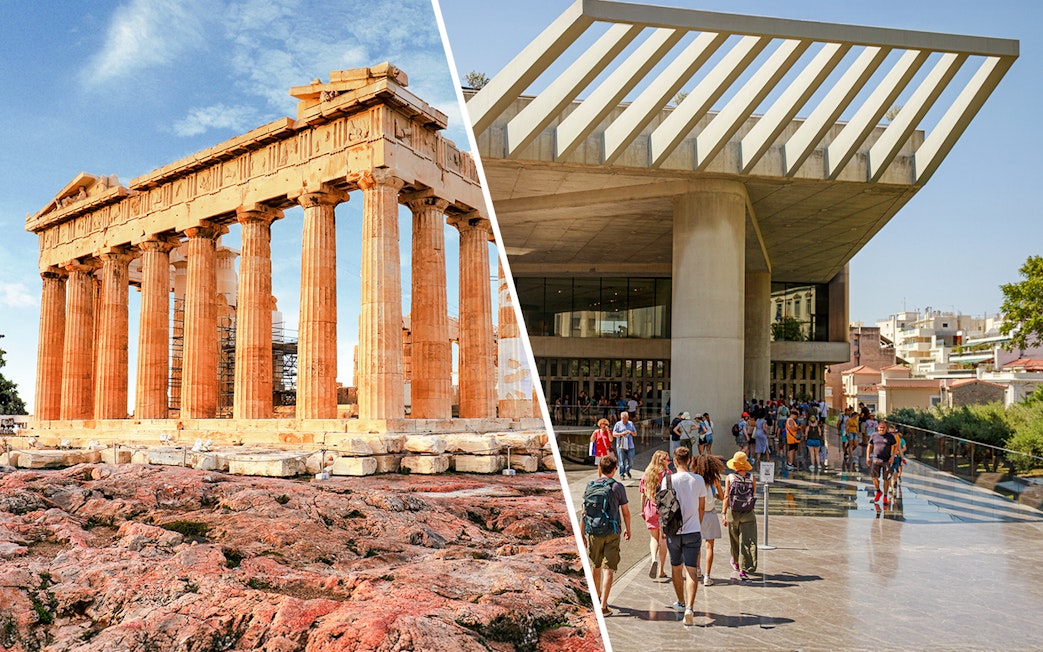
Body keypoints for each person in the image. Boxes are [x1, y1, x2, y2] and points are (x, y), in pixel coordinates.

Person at [580, 455, 631, 616]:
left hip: (593, 531)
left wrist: (582, 534)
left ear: (600, 468)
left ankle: (596, 599)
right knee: (608, 568)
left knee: (595, 566)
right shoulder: (618, 487)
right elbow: (626, 512)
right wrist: (628, 529)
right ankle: (603, 605)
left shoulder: (590, 486)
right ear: (614, 469)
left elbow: (584, 512)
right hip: (612, 531)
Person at [661, 446, 706, 626]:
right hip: (693, 530)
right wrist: (697, 523)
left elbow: (663, 507)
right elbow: (701, 507)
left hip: (673, 532)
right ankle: (689, 607)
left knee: (676, 568)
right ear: (689, 460)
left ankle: (680, 602)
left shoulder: (668, 480)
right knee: (692, 569)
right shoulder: (698, 480)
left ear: (674, 460)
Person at [722, 451, 758, 581]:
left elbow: (726, 496)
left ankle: (736, 562)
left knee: (734, 540)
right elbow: (753, 494)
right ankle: (744, 569)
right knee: (747, 540)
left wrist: (723, 513)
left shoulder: (730, 477)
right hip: (748, 513)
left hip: (733, 512)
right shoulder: (752, 477)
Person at [694, 453, 725, 586]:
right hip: (710, 513)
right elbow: (722, 497)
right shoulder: (714, 480)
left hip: (697, 514)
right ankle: (707, 575)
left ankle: (697, 569)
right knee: (709, 546)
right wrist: (716, 492)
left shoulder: (696, 480)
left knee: (697, 544)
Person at [639, 450, 671, 581]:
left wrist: (642, 510)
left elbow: (642, 494)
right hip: (664, 510)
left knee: (653, 538)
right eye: (667, 459)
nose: (669, 461)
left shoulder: (647, 474)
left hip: (651, 508)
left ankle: (653, 559)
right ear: (662, 461)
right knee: (663, 539)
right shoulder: (668, 474)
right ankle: (661, 570)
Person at [867, 421, 898, 505]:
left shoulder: (890, 436)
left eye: (883, 428)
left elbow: (896, 446)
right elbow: (869, 446)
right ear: (878, 428)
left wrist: (893, 456)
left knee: (886, 479)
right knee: (874, 477)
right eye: (880, 428)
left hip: (886, 461)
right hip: (876, 459)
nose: (882, 429)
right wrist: (867, 457)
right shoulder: (874, 435)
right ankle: (878, 491)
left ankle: (885, 496)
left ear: (886, 428)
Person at [613, 411, 637, 479]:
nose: (624, 420)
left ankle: (627, 470)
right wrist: (621, 434)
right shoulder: (618, 424)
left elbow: (635, 434)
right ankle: (621, 474)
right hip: (621, 445)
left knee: (631, 460)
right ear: (621, 418)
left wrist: (630, 432)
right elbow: (614, 434)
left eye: (625, 418)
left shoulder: (631, 424)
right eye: (623, 418)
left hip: (630, 445)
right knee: (621, 461)